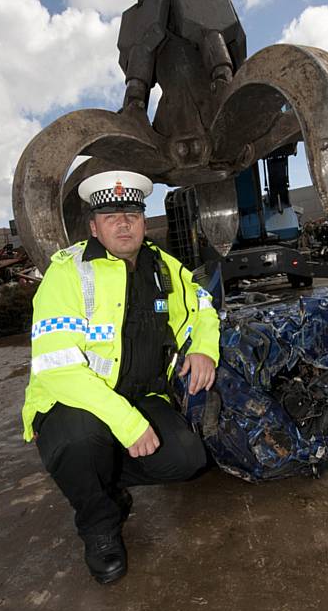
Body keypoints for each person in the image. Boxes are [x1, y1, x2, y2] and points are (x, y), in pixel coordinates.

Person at [21, 170, 220, 584]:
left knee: (189, 460)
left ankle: (99, 476)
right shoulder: (68, 272)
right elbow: (58, 368)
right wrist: (127, 424)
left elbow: (203, 308)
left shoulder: (165, 268)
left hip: (143, 394)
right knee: (80, 440)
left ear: (144, 221)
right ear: (94, 226)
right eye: (111, 215)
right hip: (74, 401)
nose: (123, 222)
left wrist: (204, 348)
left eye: (131, 211)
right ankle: (99, 525)